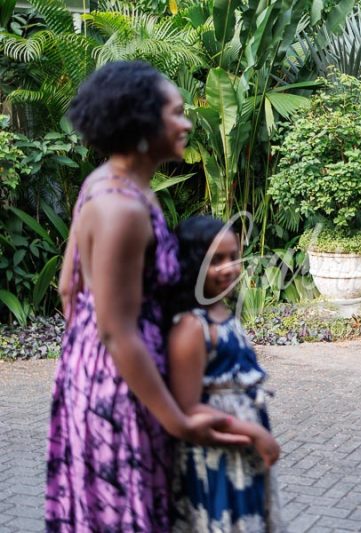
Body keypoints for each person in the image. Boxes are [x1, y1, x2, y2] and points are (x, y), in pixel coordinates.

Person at [47, 61, 248, 532]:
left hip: (98, 379)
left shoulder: (105, 183)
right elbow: (118, 333)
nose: (187, 122)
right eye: (176, 113)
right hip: (122, 394)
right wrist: (176, 420)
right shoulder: (124, 210)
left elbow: (66, 287)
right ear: (142, 123)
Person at [166, 216, 283, 532]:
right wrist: (255, 432)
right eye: (215, 260)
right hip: (215, 456)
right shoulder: (193, 327)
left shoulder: (223, 315)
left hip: (241, 454)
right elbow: (187, 406)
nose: (229, 267)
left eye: (233, 257)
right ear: (193, 264)